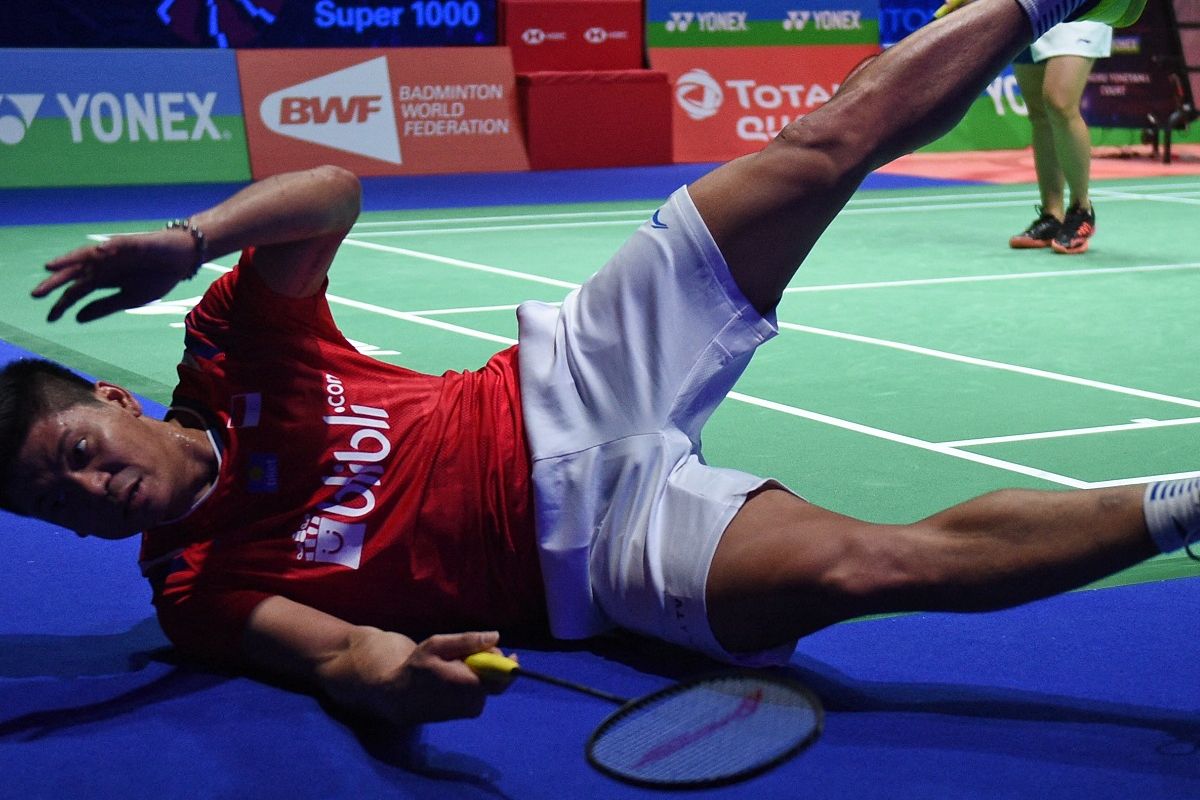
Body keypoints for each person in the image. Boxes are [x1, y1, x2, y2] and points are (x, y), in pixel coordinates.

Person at [2, 0, 1180, 729]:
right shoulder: (194, 588)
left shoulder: (226, 344)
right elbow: (339, 654)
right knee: (871, 567)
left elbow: (334, 193)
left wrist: (193, 238)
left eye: (77, 458)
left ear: (112, 398)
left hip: (569, 379)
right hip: (591, 555)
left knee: (819, 149)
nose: (90, 498)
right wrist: (399, 680)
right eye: (55, 509)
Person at [1007, 21, 1113, 253]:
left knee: (1059, 102)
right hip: (1031, 10)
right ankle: (1052, 215)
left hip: (1078, 11)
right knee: (1040, 114)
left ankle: (1081, 210)